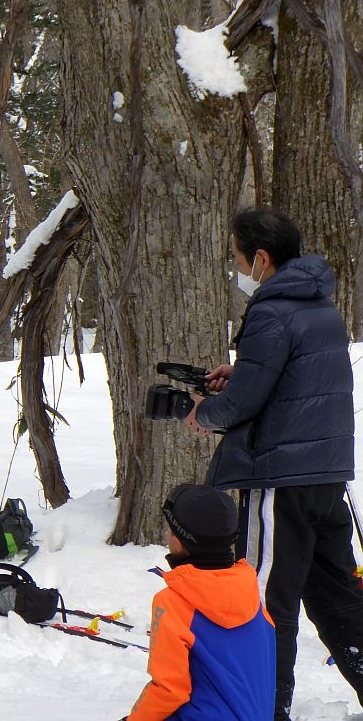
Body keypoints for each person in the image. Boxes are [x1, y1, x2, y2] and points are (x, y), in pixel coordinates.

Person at [183, 206, 363, 720]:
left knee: (263, 601)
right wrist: (239, 373)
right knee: (334, 592)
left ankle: (266, 707)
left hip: (280, 480)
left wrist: (205, 412)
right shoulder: (320, 306)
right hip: (326, 474)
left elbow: (242, 406)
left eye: (239, 258)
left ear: (261, 258)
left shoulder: (270, 310)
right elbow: (292, 382)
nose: (239, 269)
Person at [124, 484, 275, 720]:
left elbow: (169, 691)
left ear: (179, 541)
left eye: (171, 530)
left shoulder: (173, 603)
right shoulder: (251, 593)